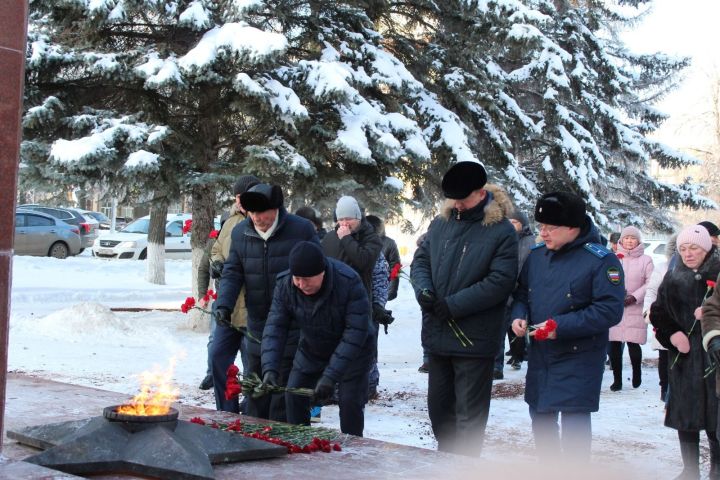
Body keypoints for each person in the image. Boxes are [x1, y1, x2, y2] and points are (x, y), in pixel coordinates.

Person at [411, 161, 518, 456]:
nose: (457, 204)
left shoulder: (501, 230)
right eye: (453, 198)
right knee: (439, 410)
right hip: (438, 333)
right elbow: (421, 261)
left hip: (473, 339)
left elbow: (500, 281)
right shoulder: (441, 223)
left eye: (464, 198)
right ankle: (446, 464)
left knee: (468, 417)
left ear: (480, 192)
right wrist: (424, 291)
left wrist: (454, 305)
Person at [511, 191, 625, 462]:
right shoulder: (538, 256)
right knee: (540, 415)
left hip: (580, 354)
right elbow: (522, 293)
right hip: (542, 354)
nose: (544, 233)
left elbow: (609, 310)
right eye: (541, 227)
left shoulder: (601, 260)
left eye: (551, 228)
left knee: (574, 420)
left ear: (573, 228)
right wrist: (518, 315)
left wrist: (559, 326)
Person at [212, 183, 319, 419]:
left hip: (293, 322)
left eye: (263, 213)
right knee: (257, 385)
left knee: (284, 386)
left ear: (276, 208)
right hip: (257, 321)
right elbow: (233, 272)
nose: (258, 218)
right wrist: (223, 305)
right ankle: (256, 438)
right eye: (253, 213)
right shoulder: (241, 233)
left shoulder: (300, 230)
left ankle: (287, 440)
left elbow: (318, 268)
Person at [261, 241, 374, 436]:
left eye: (307, 279)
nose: (301, 285)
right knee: (293, 393)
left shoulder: (348, 282)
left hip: (354, 353)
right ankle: (301, 441)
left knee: (349, 403)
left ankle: (354, 452)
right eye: (297, 278)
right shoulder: (286, 285)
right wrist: (269, 369)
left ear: (322, 272)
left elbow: (355, 332)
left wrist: (330, 377)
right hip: (312, 348)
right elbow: (275, 328)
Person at [651, 225, 720, 479]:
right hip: (684, 357)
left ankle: (717, 468)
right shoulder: (673, 275)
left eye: (694, 248)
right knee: (686, 413)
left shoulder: (719, 272)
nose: (688, 254)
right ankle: (689, 469)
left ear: (706, 248)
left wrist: (713, 314)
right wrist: (671, 335)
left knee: (716, 414)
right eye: (683, 249)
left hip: (714, 355)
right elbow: (658, 312)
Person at [199, 174, 260, 394]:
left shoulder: (260, 221)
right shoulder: (231, 221)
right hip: (228, 301)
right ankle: (225, 405)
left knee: (251, 357)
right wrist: (217, 263)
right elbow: (216, 249)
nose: (238, 201)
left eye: (242, 196)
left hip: (252, 302)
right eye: (236, 197)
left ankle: (250, 399)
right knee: (218, 354)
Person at [608, 226, 654, 391]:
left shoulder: (646, 260)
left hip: (635, 305)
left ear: (638, 241)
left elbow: (651, 282)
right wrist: (615, 295)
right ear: (621, 240)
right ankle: (617, 380)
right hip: (616, 306)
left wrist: (634, 296)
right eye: (626, 238)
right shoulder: (613, 258)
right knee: (614, 343)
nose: (629, 241)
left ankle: (637, 373)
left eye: (632, 238)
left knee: (633, 343)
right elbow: (606, 279)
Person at [494, 208, 536, 378]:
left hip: (522, 290)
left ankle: (519, 355)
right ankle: (496, 366)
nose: (512, 226)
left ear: (523, 224)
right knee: (498, 330)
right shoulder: (502, 239)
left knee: (518, 329)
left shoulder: (531, 242)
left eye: (515, 223)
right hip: (503, 291)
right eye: (509, 222)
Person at [643, 235, 677, 401]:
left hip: (685, 322)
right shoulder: (663, 267)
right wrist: (648, 312)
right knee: (664, 356)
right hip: (663, 318)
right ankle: (665, 389)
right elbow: (651, 291)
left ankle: (678, 391)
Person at [366, 214, 402, 301]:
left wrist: (392, 289)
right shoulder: (358, 241)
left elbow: (395, 266)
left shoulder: (389, 243)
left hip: (381, 289)